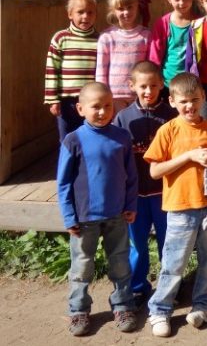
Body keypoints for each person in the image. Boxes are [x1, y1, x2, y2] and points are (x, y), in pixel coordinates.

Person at [143, 73, 207, 337]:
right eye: (183, 101)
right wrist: (189, 156)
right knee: (174, 262)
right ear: (172, 101)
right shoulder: (168, 130)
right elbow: (155, 171)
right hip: (180, 208)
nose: (190, 106)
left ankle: (203, 305)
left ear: (204, 97)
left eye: (195, 100)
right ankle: (160, 310)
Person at [56, 82, 138, 336]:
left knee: (120, 263)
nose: (102, 112)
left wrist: (130, 204)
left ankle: (123, 305)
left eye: (108, 106)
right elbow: (63, 182)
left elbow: (132, 176)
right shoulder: (73, 140)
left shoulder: (122, 137)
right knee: (82, 267)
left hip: (117, 215)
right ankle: (78, 310)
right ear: (80, 109)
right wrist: (69, 216)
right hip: (84, 218)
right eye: (96, 107)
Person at [113, 61, 177, 306]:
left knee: (168, 243)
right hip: (136, 195)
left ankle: (169, 287)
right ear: (132, 86)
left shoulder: (172, 116)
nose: (148, 91)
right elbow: (117, 157)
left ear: (162, 84)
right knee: (137, 245)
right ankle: (138, 287)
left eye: (153, 85)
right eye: (143, 86)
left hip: (165, 193)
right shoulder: (123, 118)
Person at [45, 0, 99, 141]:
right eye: (80, 12)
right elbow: (52, 70)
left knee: (89, 137)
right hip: (66, 101)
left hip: (90, 100)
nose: (85, 16)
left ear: (96, 15)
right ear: (70, 14)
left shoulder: (99, 40)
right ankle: (67, 157)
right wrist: (53, 99)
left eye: (90, 12)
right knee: (67, 139)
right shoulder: (61, 38)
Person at [96, 0, 150, 113]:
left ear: (137, 7)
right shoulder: (107, 37)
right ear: (113, 11)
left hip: (139, 94)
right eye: (120, 9)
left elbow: (149, 66)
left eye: (130, 7)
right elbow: (101, 69)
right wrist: (103, 93)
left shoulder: (146, 35)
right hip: (114, 96)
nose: (126, 12)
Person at [149, 0, 201, 91]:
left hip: (191, 83)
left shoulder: (199, 23)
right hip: (167, 83)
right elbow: (154, 55)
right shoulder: (163, 23)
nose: (182, 3)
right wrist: (155, 79)